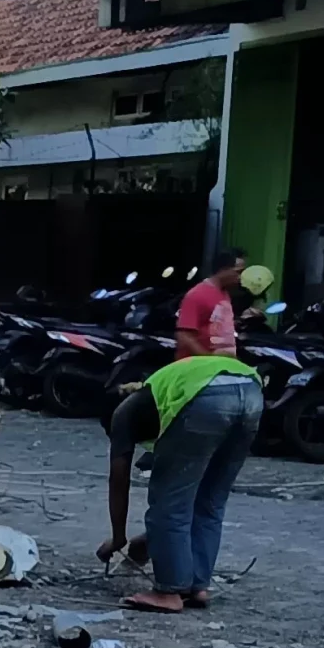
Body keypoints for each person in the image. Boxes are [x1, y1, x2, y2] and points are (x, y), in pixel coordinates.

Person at [98, 350, 263, 612]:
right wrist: (148, 540)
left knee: (168, 502)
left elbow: (119, 480)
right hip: (250, 389)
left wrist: (118, 538)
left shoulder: (122, 414)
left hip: (205, 397)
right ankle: (197, 586)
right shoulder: (156, 397)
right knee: (209, 501)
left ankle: (170, 591)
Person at [175, 250, 265, 359]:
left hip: (220, 365)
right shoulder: (197, 294)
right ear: (223, 270)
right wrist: (209, 359)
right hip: (200, 367)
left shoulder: (224, 293)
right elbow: (184, 337)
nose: (240, 277)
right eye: (238, 272)